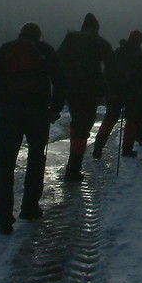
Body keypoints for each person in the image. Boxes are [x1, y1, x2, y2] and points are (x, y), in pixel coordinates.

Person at [0, 22, 65, 234]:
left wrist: (1, 107)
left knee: (5, 166)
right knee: (36, 159)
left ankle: (4, 217)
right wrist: (54, 110)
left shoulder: (6, 49)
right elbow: (59, 81)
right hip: (38, 114)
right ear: (38, 36)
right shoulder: (44, 50)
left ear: (19, 34)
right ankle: (29, 208)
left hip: (9, 114)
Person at [57, 12, 116, 181]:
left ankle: (73, 165)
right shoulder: (99, 42)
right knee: (83, 127)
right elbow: (112, 66)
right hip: (91, 91)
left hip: (72, 89)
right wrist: (111, 86)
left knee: (78, 124)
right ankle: (73, 167)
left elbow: (58, 60)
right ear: (96, 28)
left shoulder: (70, 39)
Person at [93, 29, 142, 159]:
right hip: (134, 94)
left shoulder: (118, 52)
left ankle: (98, 146)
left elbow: (107, 71)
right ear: (140, 41)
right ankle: (127, 149)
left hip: (115, 92)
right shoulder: (141, 57)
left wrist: (108, 88)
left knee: (110, 119)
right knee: (131, 121)